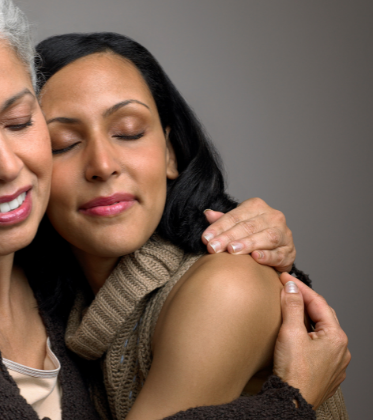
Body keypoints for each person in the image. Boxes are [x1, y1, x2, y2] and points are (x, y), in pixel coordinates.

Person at [0, 1, 349, 419]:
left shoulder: (55, 283)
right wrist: (290, 403)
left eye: (22, 123)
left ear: (172, 149)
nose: (5, 164)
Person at [27, 32, 349, 419]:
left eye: (129, 132)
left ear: (170, 154)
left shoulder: (226, 287)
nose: (102, 165)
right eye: (61, 143)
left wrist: (295, 399)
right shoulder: (73, 312)